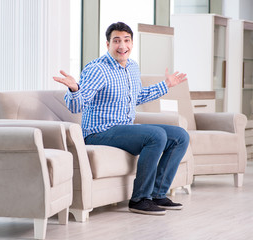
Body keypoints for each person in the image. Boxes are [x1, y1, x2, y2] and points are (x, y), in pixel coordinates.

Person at [53, 22, 189, 216]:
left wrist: (165, 85)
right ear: (107, 44)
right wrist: (74, 89)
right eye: (116, 41)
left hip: (124, 129)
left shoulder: (133, 67)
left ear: (132, 43)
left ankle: (158, 193)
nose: (122, 45)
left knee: (180, 136)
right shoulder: (97, 69)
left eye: (126, 40)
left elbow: (137, 97)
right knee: (156, 135)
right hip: (98, 132)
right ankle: (140, 199)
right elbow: (77, 106)